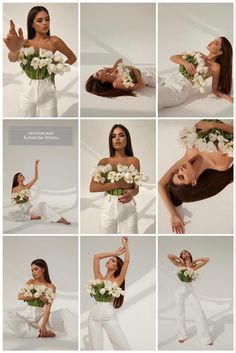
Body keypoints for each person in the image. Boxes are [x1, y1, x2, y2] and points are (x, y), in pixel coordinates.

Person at [158, 120, 233, 234]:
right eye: (182, 177)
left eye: (176, 173)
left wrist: (173, 214)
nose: (180, 170)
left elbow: (160, 185)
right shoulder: (220, 164)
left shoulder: (190, 152)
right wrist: (213, 125)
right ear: (194, 182)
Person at [3, 6, 77, 117]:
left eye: (47, 19)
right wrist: (15, 49)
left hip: (47, 90)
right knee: (23, 125)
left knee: (50, 126)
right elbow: (11, 58)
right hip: (27, 90)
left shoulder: (54, 41)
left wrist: (56, 69)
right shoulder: (25, 43)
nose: (45, 23)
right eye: (39, 20)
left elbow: (72, 57)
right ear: (32, 24)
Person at [4, 258, 77, 339]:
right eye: (32, 270)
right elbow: (20, 296)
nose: (33, 272)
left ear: (43, 269)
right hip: (28, 316)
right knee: (5, 315)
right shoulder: (30, 282)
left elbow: (48, 308)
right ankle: (38, 333)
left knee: (65, 312)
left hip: (41, 318)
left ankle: (76, 337)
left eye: (36, 269)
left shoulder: (51, 287)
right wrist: (37, 295)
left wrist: (43, 325)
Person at [90, 124, 140, 234]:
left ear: (127, 139)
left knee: (131, 238)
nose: (117, 138)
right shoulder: (104, 162)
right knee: (104, 240)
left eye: (121, 135)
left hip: (128, 206)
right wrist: (117, 184)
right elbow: (93, 187)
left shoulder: (134, 161)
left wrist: (132, 193)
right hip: (108, 206)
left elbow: (136, 188)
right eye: (113, 136)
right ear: (111, 141)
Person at [159, 37, 233, 109]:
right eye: (213, 40)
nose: (211, 42)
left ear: (219, 52)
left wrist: (230, 98)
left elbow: (215, 90)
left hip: (178, 88)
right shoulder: (198, 54)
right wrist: (185, 63)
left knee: (158, 96)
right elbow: (173, 57)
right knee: (148, 73)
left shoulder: (215, 67)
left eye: (216, 43)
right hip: (168, 79)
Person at [88, 236, 130, 350]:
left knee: (123, 347)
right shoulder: (99, 278)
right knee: (96, 348)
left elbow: (126, 261)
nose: (109, 260)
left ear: (116, 267)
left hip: (108, 316)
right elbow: (96, 257)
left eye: (113, 260)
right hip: (93, 316)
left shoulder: (118, 280)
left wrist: (126, 245)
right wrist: (114, 253)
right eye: (110, 259)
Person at [167, 250, 213, 345]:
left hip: (190, 291)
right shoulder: (179, 264)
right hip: (179, 291)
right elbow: (168, 255)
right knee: (180, 312)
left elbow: (207, 259)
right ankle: (182, 335)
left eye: (185, 252)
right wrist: (179, 259)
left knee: (199, 311)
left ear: (189, 254)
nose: (183, 253)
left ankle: (205, 338)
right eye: (182, 253)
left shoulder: (193, 266)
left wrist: (196, 260)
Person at [9, 159, 70, 224]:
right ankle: (30, 217)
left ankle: (59, 219)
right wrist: (22, 199)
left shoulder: (27, 186)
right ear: (18, 179)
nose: (23, 176)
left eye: (22, 175)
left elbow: (36, 177)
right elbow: (14, 201)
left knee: (43, 204)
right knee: (10, 214)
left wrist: (36, 165)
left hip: (30, 209)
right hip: (21, 210)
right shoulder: (14, 189)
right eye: (21, 175)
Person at [86, 58, 156, 98]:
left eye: (96, 72)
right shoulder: (116, 84)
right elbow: (141, 85)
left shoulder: (113, 72)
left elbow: (120, 60)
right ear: (103, 81)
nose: (98, 71)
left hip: (148, 70)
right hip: (152, 78)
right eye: (98, 74)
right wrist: (132, 68)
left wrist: (113, 68)